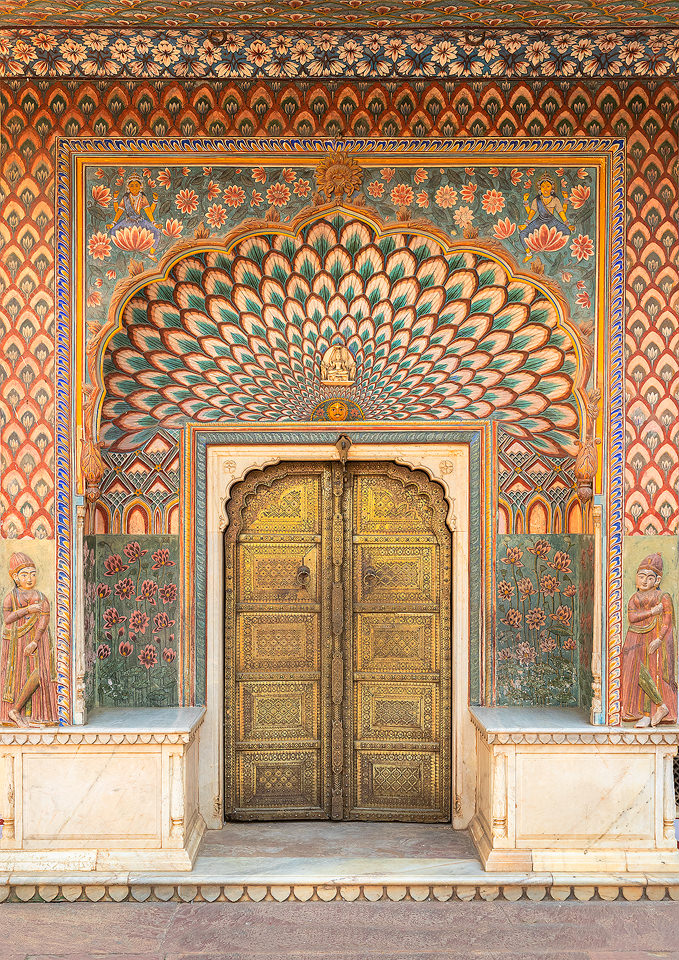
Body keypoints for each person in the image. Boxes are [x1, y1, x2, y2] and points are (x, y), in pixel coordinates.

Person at [0, 553, 58, 726]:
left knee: (40, 672)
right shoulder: (11, 597)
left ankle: (30, 713)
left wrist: (35, 641)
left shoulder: (41, 597)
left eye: (33, 574)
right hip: (15, 642)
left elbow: (44, 620)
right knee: (16, 675)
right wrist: (28, 610)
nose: (30, 578)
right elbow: (8, 619)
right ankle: (15, 713)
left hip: (37, 640)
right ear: (15, 577)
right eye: (24, 574)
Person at [621, 553, 677, 727]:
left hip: (654, 637)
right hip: (635, 637)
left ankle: (652, 711)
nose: (644, 581)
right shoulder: (634, 598)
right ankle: (653, 708)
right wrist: (653, 612)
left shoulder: (663, 597)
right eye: (641, 576)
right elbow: (633, 617)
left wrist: (659, 639)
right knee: (635, 673)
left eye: (649, 577)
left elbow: (668, 620)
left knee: (653, 672)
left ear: (657, 580)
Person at [518, 176, 575, 263]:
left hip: (552, 221)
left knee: (567, 232)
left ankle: (551, 247)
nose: (545, 189)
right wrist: (525, 224)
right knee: (522, 234)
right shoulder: (537, 200)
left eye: (548, 186)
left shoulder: (555, 199)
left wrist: (568, 225)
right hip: (539, 221)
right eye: (543, 186)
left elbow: (561, 212)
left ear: (552, 188)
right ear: (539, 188)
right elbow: (531, 213)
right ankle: (529, 254)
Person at [106, 174, 161, 259]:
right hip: (127, 221)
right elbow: (119, 211)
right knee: (113, 231)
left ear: (140, 186)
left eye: (136, 185)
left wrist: (154, 223)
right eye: (131, 185)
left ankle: (151, 254)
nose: (134, 187)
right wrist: (113, 223)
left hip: (140, 221)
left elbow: (148, 211)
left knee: (156, 232)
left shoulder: (142, 197)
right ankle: (123, 249)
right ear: (128, 187)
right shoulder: (125, 198)